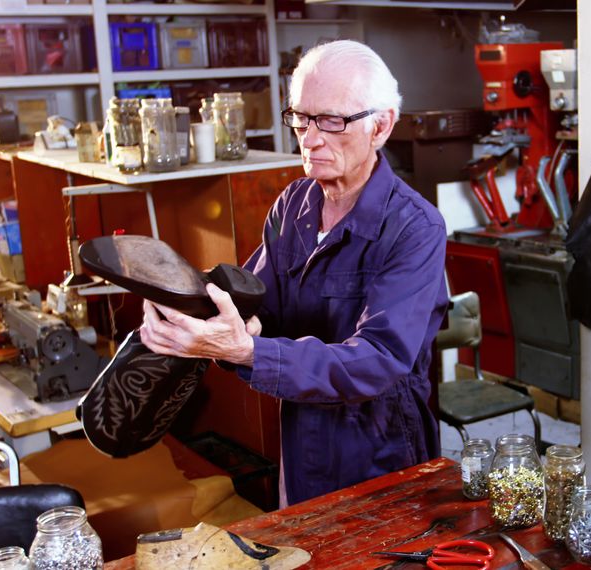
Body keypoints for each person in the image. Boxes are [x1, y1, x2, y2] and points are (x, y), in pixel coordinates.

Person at [139, 40, 448, 506]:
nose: (310, 137)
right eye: (301, 118)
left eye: (332, 121)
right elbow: (258, 303)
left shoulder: (415, 227)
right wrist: (189, 303)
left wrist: (248, 352)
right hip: (301, 437)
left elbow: (377, 360)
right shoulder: (294, 205)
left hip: (381, 448)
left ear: (381, 126)